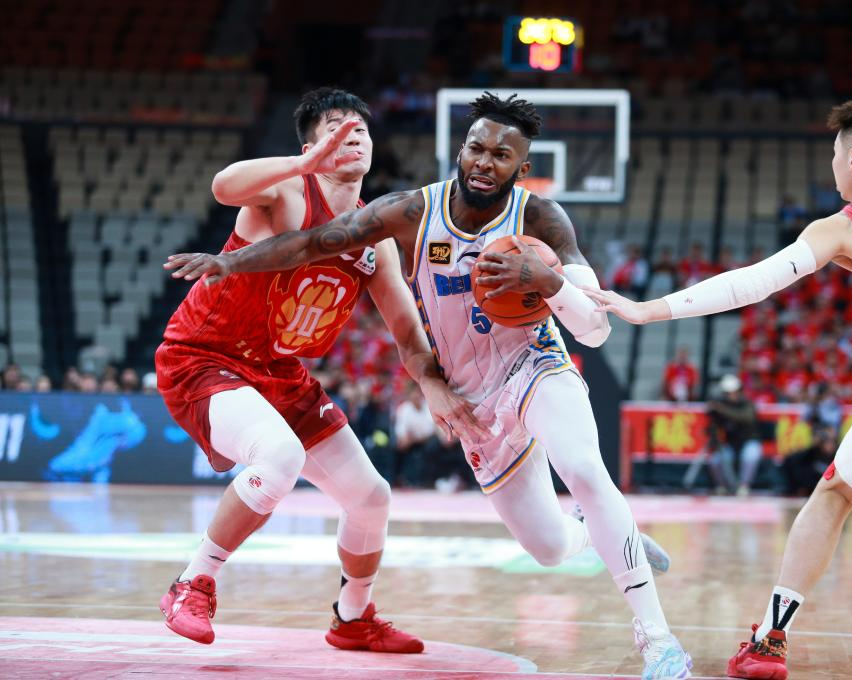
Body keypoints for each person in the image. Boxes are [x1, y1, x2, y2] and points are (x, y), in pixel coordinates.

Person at [165, 92, 693, 680]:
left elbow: (591, 330)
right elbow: (285, 224)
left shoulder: (540, 219)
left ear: (522, 167)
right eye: (476, 148)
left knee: (578, 471)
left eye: (501, 154)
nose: (484, 161)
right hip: (456, 397)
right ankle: (595, 535)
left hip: (532, 365)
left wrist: (549, 284)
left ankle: (657, 640)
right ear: (459, 150)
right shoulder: (399, 211)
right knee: (548, 547)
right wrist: (230, 261)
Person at [584, 96, 852, 679]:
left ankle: (769, 641)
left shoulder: (844, 224)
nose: (834, 166)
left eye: (835, 154)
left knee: (835, 496)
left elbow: (751, 284)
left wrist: (647, 310)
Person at [154, 87, 483, 653]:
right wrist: (302, 164)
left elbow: (407, 333)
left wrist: (432, 385)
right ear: (311, 147)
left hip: (280, 372)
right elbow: (223, 186)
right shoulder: (285, 191)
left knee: (372, 497)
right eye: (336, 129)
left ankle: (352, 617)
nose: (352, 136)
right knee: (278, 457)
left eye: (361, 129)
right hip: (205, 356)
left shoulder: (375, 239)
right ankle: (191, 582)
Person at [705, 374, 762, 497]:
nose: (731, 395)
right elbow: (713, 426)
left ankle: (744, 486)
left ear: (739, 391)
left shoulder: (746, 403)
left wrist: (722, 409)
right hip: (730, 443)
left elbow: (746, 417)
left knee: (751, 456)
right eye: (728, 393)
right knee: (715, 460)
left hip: (748, 441)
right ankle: (722, 487)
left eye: (734, 392)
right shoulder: (720, 405)